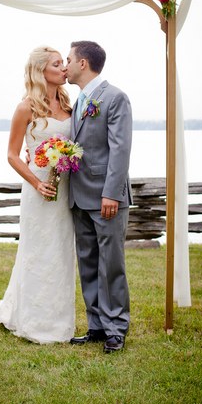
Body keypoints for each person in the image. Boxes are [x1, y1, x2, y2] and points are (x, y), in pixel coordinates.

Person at [0, 46, 76, 344]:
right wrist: (36, 182)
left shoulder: (70, 106)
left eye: (63, 63)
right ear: (41, 71)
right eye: (57, 64)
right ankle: (34, 322)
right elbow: (12, 155)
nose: (63, 68)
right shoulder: (26, 107)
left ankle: (61, 322)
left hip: (65, 188)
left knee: (61, 253)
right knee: (38, 252)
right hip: (38, 189)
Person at [66, 40, 133, 353]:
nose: (64, 66)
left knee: (111, 265)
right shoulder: (79, 100)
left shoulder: (115, 97)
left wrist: (112, 194)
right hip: (78, 197)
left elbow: (120, 149)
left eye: (67, 60)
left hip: (106, 199)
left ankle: (116, 328)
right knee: (88, 263)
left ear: (82, 63)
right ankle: (96, 325)